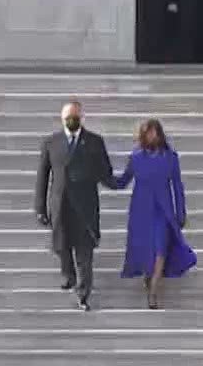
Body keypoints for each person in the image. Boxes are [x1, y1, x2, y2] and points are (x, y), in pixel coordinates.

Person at [33, 102, 116, 312]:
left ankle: (83, 293)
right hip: (61, 205)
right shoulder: (51, 143)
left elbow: (105, 171)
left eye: (74, 116)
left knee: (84, 252)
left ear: (81, 117)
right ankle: (67, 274)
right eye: (68, 117)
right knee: (62, 246)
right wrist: (39, 207)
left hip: (85, 207)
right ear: (62, 119)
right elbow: (43, 177)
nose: (71, 120)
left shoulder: (95, 142)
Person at [112, 119, 192, 311]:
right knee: (146, 248)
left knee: (160, 248)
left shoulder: (171, 157)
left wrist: (180, 212)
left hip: (163, 211)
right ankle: (149, 276)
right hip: (141, 210)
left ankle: (153, 291)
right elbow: (123, 181)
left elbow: (177, 187)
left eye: (154, 133)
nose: (152, 136)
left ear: (160, 134)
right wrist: (102, 175)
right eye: (148, 133)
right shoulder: (136, 158)